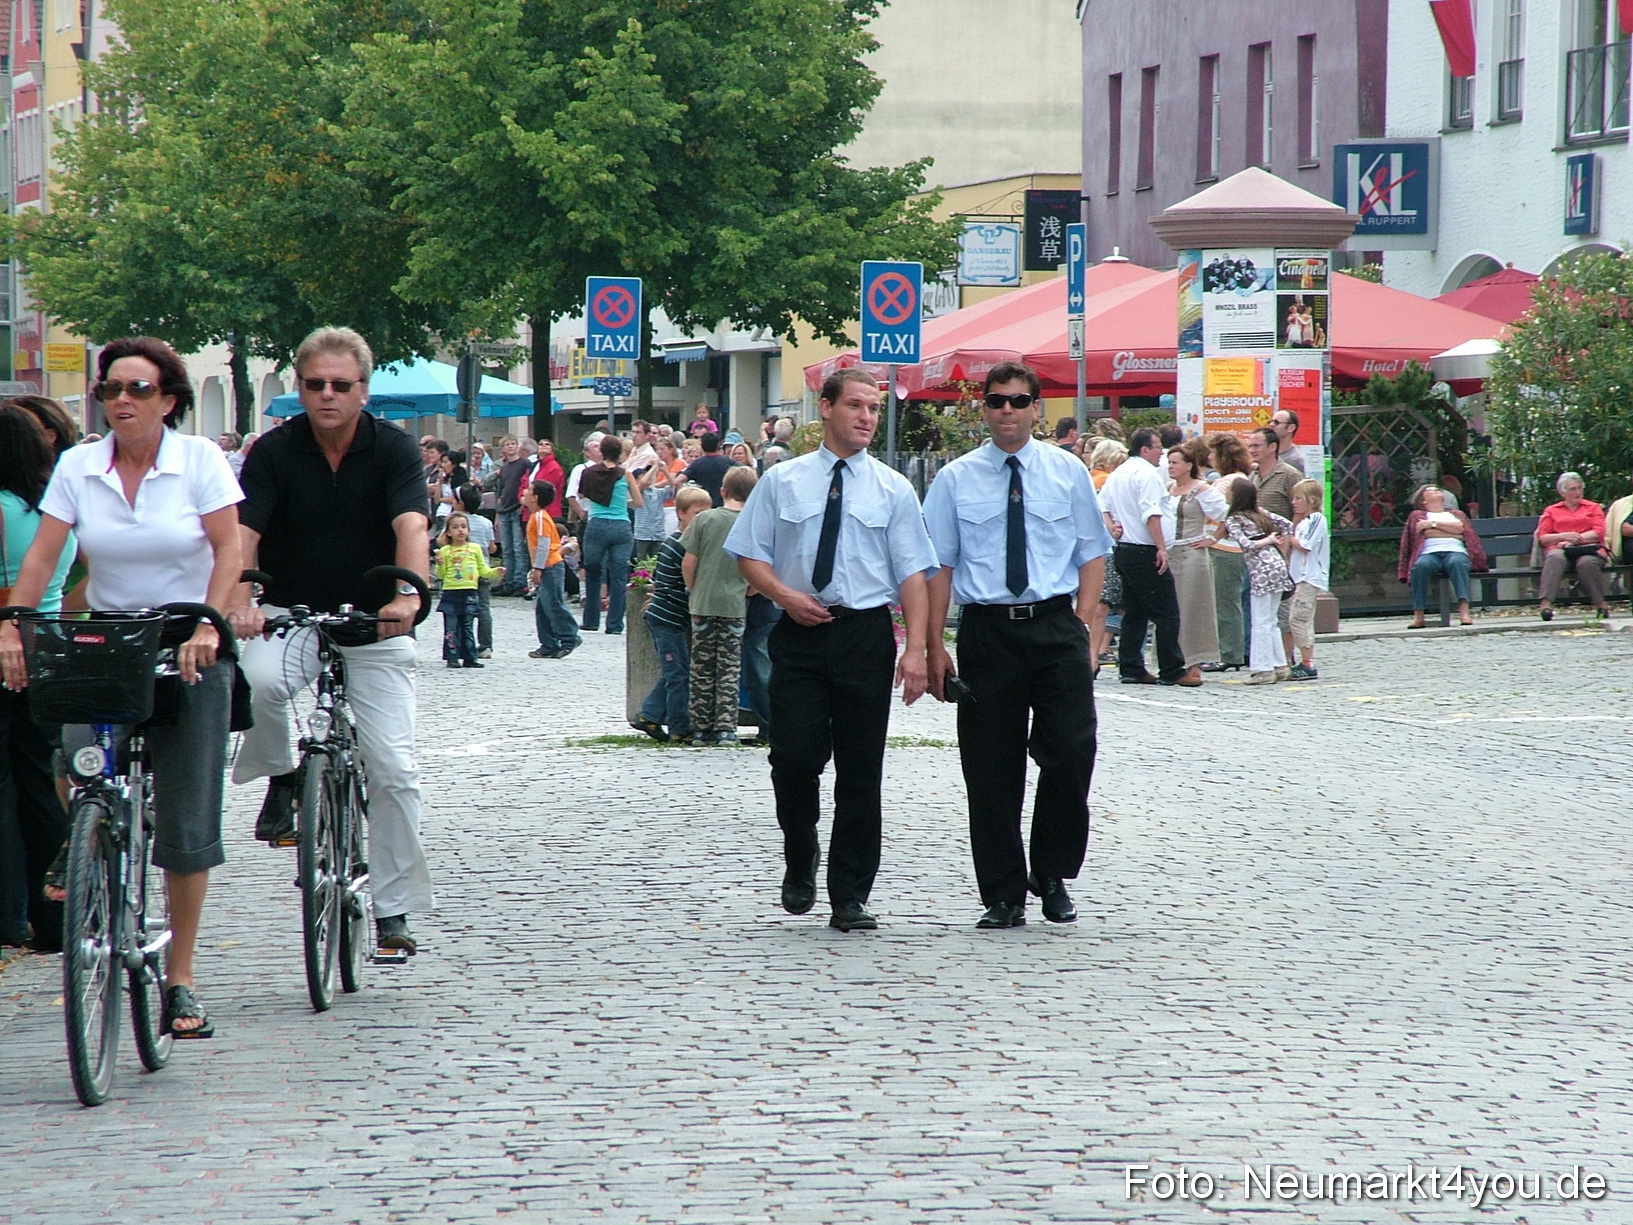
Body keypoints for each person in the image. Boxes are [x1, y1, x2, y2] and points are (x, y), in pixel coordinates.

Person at [1, 336, 244, 1037]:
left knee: (187, 814)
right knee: (74, 760)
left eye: (138, 389)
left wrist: (211, 626)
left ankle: (182, 976)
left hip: (186, 636)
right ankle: (89, 840)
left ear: (169, 400)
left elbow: (228, 549)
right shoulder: (79, 465)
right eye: (110, 390)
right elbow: (46, 555)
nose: (122, 401)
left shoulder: (198, 460)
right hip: (108, 637)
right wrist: (14, 625)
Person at [229, 325, 434, 958]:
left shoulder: (395, 451)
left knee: (394, 769)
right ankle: (285, 777)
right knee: (260, 684)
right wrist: (239, 596)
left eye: (341, 385)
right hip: (291, 613)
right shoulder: (273, 451)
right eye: (314, 384)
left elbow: (412, 525)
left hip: (375, 622)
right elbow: (244, 530)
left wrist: (409, 596)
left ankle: (393, 910)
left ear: (364, 391)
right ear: (299, 386)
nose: (327, 395)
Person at [725, 368, 938, 933]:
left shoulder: (893, 488)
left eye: (874, 408)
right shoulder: (783, 481)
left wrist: (914, 650)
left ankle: (849, 894)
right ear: (826, 408)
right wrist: (783, 595)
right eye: (857, 406)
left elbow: (914, 574)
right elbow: (748, 553)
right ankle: (801, 854)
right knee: (792, 760)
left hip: (864, 634)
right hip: (799, 632)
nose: (867, 417)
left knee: (861, 771)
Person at [922, 362, 1111, 929]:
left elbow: (1092, 552)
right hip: (988, 631)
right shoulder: (955, 479)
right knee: (990, 767)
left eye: (1019, 400)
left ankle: (1050, 871)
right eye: (997, 400)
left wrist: (1082, 625)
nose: (1008, 410)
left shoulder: (1066, 472)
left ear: (1037, 408)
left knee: (1072, 751)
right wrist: (933, 644)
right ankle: (1003, 893)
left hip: (1054, 626)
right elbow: (938, 567)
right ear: (983, 407)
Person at [0, 406, 74, 954]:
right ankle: (53, 917)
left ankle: (7, 915)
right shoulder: (53, 515)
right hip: (46, 647)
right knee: (40, 786)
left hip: (6, 645)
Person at [1099, 428, 1194, 686]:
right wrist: (1161, 548)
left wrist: (1112, 526)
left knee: (1135, 611)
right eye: (1156, 447)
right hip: (1144, 549)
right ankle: (1172, 669)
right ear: (1144, 449)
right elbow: (1151, 513)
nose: (1161, 452)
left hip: (1126, 549)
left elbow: (1103, 505)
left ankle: (1131, 666)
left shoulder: (1119, 473)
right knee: (1167, 613)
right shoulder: (1146, 474)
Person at [683, 466, 758, 746]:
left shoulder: (704, 519)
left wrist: (695, 589)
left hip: (702, 602)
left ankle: (700, 728)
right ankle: (725, 728)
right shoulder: (752, 524)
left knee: (701, 667)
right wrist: (748, 591)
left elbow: (688, 562)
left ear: (722, 492)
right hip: (734, 605)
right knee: (728, 668)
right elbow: (760, 569)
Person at [631, 485, 711, 740]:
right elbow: (676, 585)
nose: (703, 519)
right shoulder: (680, 545)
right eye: (697, 514)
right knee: (677, 675)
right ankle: (679, 729)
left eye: (707, 513)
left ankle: (649, 715)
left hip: (670, 617)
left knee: (676, 671)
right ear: (681, 514)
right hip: (666, 619)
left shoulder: (684, 543)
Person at [1221, 481, 1294, 684]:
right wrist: (1273, 538)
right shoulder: (1259, 515)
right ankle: (1280, 666)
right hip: (1277, 565)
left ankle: (1264, 669)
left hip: (1261, 569)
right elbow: (1287, 524)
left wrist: (1267, 540)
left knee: (1260, 621)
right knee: (1271, 620)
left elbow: (1247, 544)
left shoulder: (1234, 518)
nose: (1226, 493)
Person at [578, 435, 644, 635]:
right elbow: (639, 502)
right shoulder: (625, 474)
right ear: (620, 453)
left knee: (593, 571)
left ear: (602, 451)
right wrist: (622, 502)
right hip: (621, 527)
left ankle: (591, 620)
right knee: (619, 575)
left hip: (597, 524)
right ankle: (615, 624)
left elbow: (582, 495)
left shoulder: (589, 472)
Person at [1164, 444, 1219, 683]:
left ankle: (1193, 660)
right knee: (1170, 608)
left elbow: (1226, 513)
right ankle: (1171, 660)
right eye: (1169, 462)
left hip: (1192, 551)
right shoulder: (1168, 488)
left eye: (1175, 462)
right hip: (1171, 551)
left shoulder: (1202, 488)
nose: (1171, 467)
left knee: (1192, 608)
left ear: (1189, 465)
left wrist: (1213, 537)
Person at [1397, 484, 1486, 629]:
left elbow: (1461, 529)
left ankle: (1464, 611)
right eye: (1431, 490)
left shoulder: (1457, 514)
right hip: (1429, 553)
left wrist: (1431, 524)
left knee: (1457, 563)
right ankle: (1419, 614)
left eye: (1437, 489)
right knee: (1420, 566)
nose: (1437, 490)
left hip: (1455, 551)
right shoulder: (1417, 516)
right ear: (1423, 501)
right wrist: (1452, 531)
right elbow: (1425, 533)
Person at [1200, 434, 1252, 672]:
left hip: (1226, 549)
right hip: (1228, 549)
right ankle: (1229, 651)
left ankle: (1229, 653)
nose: (1209, 457)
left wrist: (1213, 537)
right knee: (1227, 601)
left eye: (1212, 453)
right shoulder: (1235, 479)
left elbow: (1222, 513)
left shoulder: (1228, 482)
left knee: (1225, 603)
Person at [1536, 471, 1611, 621]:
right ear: (1562, 492)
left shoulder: (1593, 507)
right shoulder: (1551, 511)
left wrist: (1574, 540)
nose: (1577, 492)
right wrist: (1563, 537)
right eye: (1572, 489)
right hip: (1560, 549)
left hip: (1589, 549)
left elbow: (1598, 532)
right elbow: (1543, 538)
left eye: (1579, 488)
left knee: (1586, 563)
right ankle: (1546, 605)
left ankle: (1601, 605)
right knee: (1554, 557)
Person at [434, 512, 503, 668]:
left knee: (467, 625)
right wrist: (439, 564)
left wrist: (494, 572)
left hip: (470, 591)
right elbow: (441, 574)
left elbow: (483, 570)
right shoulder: (445, 551)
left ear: (469, 530)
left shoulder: (474, 548)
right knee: (451, 627)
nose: (460, 530)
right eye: (455, 527)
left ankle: (469, 656)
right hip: (451, 591)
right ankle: (452, 657)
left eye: (463, 527)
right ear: (448, 532)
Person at [523, 480, 580, 659]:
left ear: (535, 497)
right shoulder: (536, 516)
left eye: (529, 490)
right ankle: (548, 643)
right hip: (545, 565)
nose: (524, 492)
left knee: (553, 603)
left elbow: (543, 543)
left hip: (550, 565)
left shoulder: (540, 517)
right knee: (543, 606)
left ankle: (570, 636)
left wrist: (538, 568)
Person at [1085, 441, 1127, 670]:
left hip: (1108, 547)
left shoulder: (1095, 479)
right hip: (1109, 548)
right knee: (1105, 605)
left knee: (1106, 606)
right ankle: (1097, 654)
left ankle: (1097, 653)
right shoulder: (1103, 481)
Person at [1284, 479, 1330, 678]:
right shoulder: (1302, 522)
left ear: (1311, 500)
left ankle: (1308, 662)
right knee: (1297, 618)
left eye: (1298, 498)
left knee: (1299, 618)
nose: (1294, 502)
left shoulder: (1317, 519)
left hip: (1308, 576)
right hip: (1298, 577)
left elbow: (1305, 545)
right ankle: (1303, 659)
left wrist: (1288, 538)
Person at [445, 485, 495, 656]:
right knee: (483, 609)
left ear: (460, 503)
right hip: (483, 571)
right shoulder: (486, 522)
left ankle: (460, 644)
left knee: (461, 611)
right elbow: (492, 547)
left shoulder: (453, 522)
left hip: (462, 575)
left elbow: (441, 542)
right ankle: (486, 645)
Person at [490, 436, 531, 595]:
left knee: (518, 547)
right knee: (507, 549)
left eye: (513, 444)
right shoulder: (504, 468)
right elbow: (500, 492)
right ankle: (508, 580)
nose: (511, 447)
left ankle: (519, 582)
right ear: (503, 450)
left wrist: (522, 505)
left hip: (516, 509)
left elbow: (527, 484)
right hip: (504, 510)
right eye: (508, 445)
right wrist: (498, 515)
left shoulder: (524, 464)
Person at [684, 432, 734, 507]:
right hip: (725, 504)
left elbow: (679, 480)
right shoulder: (728, 462)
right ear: (718, 445)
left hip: (703, 505)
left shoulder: (696, 464)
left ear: (702, 446)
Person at [1269, 408, 1306, 474]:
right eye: (1271, 421)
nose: (1271, 425)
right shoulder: (1268, 454)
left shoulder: (1293, 460)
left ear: (1291, 428)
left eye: (1276, 422)